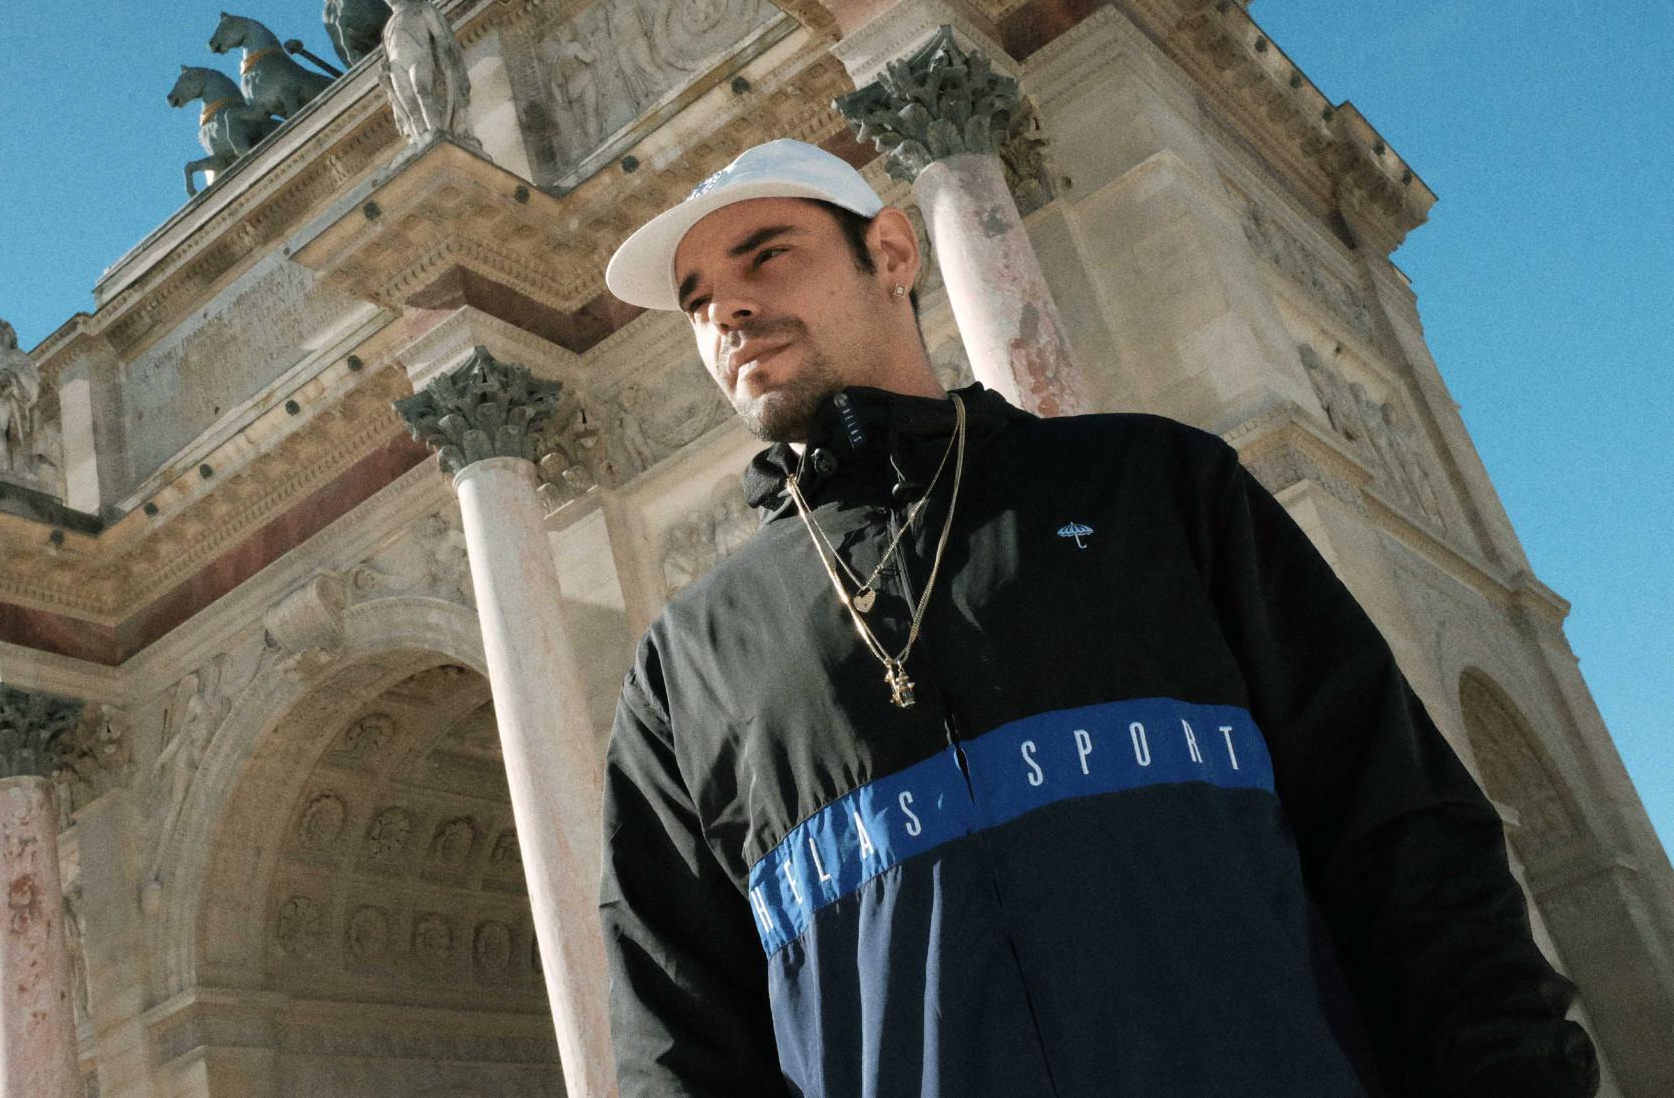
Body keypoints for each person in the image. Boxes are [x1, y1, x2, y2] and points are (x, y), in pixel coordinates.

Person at [597, 139, 1600, 1098]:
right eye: (697, 301)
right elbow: (674, 1031)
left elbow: (1404, 834)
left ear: (893, 252)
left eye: (767, 255)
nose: (728, 310)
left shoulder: (1154, 486)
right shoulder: (684, 665)